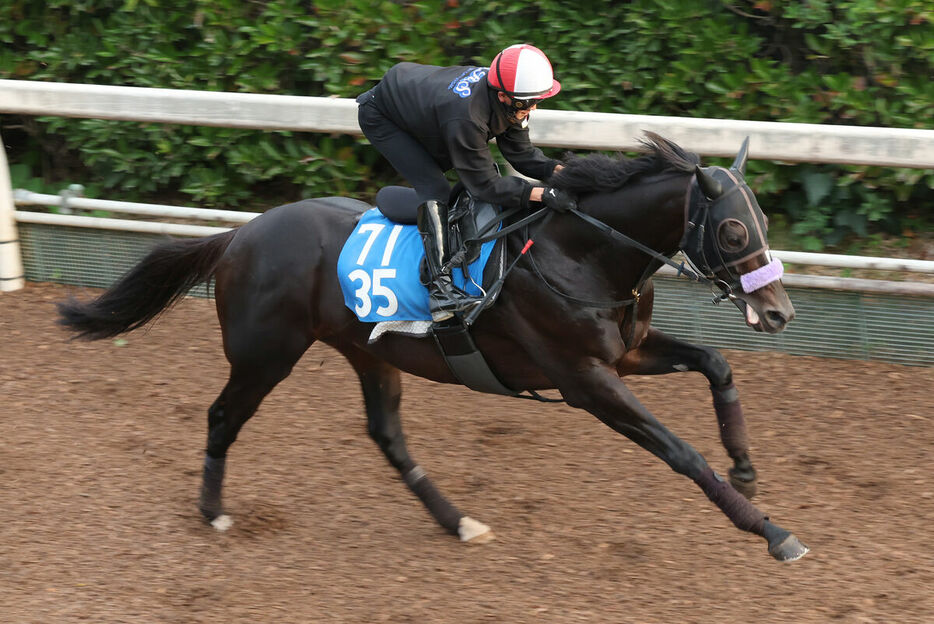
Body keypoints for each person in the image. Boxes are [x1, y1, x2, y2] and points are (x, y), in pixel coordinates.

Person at [357, 43, 577, 322]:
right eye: (527, 104)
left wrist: (565, 173)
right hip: (384, 115)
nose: (532, 108)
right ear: (503, 97)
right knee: (435, 188)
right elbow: (485, 185)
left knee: (454, 182)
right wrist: (542, 194)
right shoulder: (467, 117)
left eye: (538, 101)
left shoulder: (509, 95)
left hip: (425, 106)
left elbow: (522, 155)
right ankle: (439, 289)